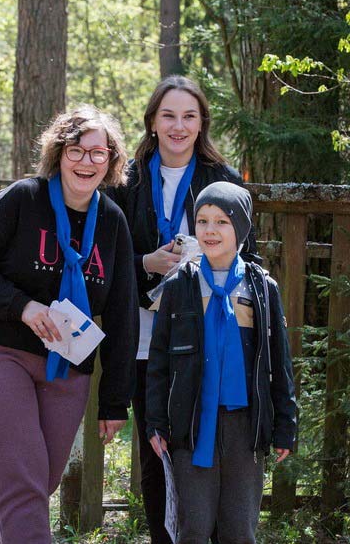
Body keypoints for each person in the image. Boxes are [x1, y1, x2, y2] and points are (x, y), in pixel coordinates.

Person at [0, 104, 139, 543]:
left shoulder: (112, 221)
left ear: (111, 160)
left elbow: (123, 313)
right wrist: (23, 307)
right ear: (58, 152)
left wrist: (114, 402)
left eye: (98, 152)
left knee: (36, 484)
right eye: (77, 150)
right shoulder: (24, 198)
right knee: (22, 484)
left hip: (66, 366)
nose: (87, 161)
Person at [107, 75, 258, 544]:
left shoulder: (223, 179)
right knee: (157, 451)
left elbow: (249, 260)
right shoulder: (124, 179)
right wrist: (145, 263)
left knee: (208, 445)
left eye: (189, 116)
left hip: (209, 335)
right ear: (152, 122)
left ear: (201, 123)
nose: (178, 126)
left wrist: (204, 264)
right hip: (145, 336)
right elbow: (103, 258)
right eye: (168, 115)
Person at [145, 182, 297, 543]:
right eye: (202, 221)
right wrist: (156, 421)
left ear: (240, 227)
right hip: (192, 423)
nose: (210, 230)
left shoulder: (261, 288)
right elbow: (159, 360)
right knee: (194, 526)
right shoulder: (179, 285)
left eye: (221, 222)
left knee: (239, 528)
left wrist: (285, 424)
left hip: (246, 427)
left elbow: (280, 362)